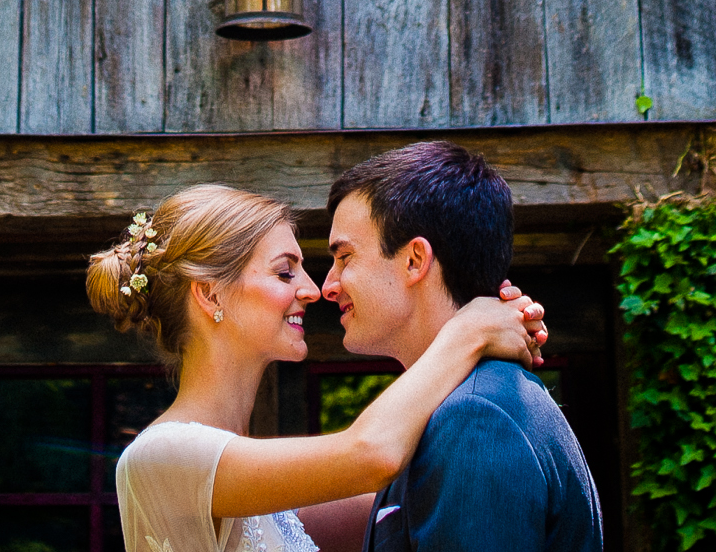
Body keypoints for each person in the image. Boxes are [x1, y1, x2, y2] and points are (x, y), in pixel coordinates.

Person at [86, 183, 548, 552]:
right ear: (210, 294)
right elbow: (372, 455)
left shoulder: (268, 494)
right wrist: (469, 330)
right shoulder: (159, 458)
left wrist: (490, 317)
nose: (312, 289)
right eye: (285, 272)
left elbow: (423, 495)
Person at [320, 142, 601, 552]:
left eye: (345, 257)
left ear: (415, 260)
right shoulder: (454, 407)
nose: (327, 286)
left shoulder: (475, 417)